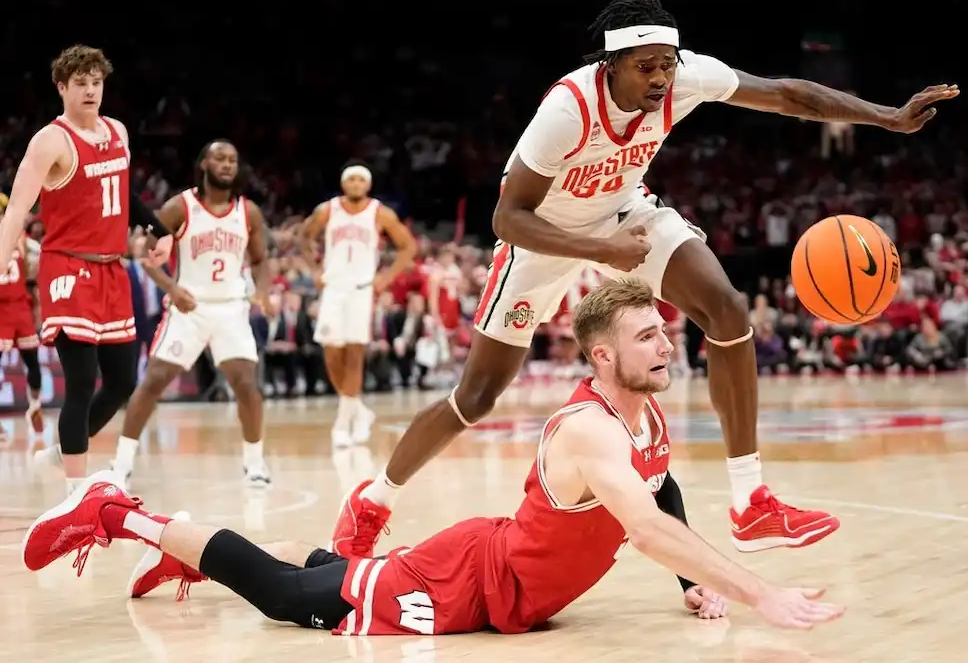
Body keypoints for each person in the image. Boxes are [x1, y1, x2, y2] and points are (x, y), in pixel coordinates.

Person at [332, 0, 959, 557]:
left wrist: (887, 117)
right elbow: (507, 217)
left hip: (627, 212)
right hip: (543, 237)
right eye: (646, 66)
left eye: (667, 63)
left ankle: (751, 502)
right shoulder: (568, 109)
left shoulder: (686, 77)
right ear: (611, 66)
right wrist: (601, 250)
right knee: (476, 397)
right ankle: (374, 500)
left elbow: (786, 93)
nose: (661, 77)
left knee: (728, 310)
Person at [22, 279, 844, 634]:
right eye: (645, 336)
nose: (666, 342)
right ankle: (119, 513)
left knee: (317, 571)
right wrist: (756, 589)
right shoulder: (590, 428)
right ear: (599, 357)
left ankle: (191, 555)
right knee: (287, 599)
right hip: (472, 584)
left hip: (500, 583)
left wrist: (697, 582)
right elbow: (646, 527)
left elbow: (662, 499)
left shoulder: (647, 415)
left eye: (663, 330)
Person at [0, 45, 173, 494]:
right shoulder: (50, 140)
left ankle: (63, 453)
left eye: (97, 82)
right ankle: (76, 493)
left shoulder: (116, 131)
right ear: (62, 87)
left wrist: (158, 229)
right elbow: (17, 209)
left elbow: (123, 193)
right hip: (68, 268)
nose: (91, 91)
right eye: (81, 83)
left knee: (122, 381)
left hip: (113, 270)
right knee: (80, 381)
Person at [109, 140, 272, 487]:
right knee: (153, 381)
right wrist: (172, 288)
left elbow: (260, 260)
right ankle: (120, 464)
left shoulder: (249, 212)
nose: (227, 164)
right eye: (219, 158)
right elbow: (146, 253)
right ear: (204, 164)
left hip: (231, 308)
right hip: (189, 308)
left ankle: (255, 464)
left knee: (247, 385)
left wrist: (262, 292)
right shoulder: (180, 206)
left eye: (232, 159)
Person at [299, 162, 416, 447]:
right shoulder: (328, 210)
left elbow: (408, 245)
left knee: (354, 352)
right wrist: (314, 271)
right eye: (350, 179)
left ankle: (343, 422)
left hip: (362, 289)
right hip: (333, 288)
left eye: (359, 179)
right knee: (331, 352)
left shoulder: (380, 212)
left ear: (368, 184)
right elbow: (304, 236)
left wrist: (386, 278)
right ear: (343, 183)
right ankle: (358, 410)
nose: (354, 183)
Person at [0, 214, 44, 433]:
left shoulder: (20, 238)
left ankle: (34, 407)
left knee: (31, 361)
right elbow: (39, 259)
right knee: (32, 361)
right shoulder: (21, 239)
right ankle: (34, 405)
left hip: (10, 307)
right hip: (16, 306)